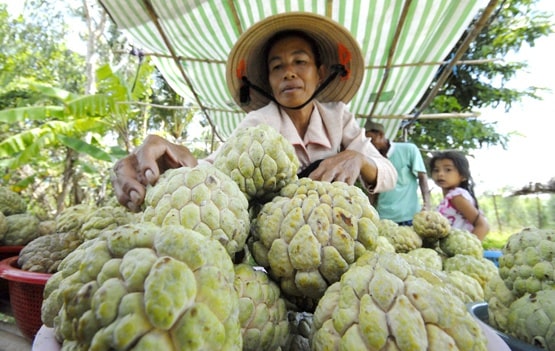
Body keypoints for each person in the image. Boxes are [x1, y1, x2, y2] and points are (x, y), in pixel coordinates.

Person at [111, 12, 399, 212]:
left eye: (300, 61)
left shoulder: (337, 116)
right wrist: (168, 167)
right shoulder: (259, 123)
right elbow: (217, 167)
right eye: (277, 67)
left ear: (321, 73)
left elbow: (388, 173)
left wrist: (356, 158)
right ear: (269, 81)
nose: (289, 73)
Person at [364, 121, 431, 225]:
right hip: (384, 218)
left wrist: (427, 204)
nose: (369, 145)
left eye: (371, 140)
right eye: (366, 142)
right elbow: (374, 190)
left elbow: (422, 177)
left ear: (381, 134)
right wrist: (369, 210)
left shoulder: (408, 149)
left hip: (409, 216)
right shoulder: (373, 159)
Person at [429, 151, 489, 240]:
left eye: (448, 170)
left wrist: (470, 249)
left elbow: (483, 225)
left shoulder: (457, 196)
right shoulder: (451, 197)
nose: (440, 174)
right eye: (436, 170)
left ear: (463, 176)